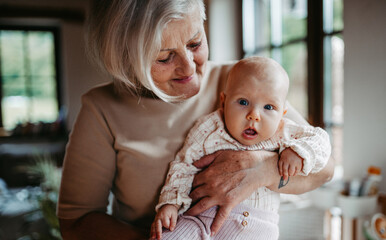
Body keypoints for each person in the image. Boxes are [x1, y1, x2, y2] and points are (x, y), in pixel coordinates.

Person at [57, 1, 334, 239]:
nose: (189, 67)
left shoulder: (242, 82)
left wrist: (264, 170)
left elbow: (325, 167)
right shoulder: (102, 108)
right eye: (165, 57)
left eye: (195, 43)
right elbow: (76, 221)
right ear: (128, 60)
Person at [150, 57, 331, 239]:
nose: (254, 115)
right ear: (224, 101)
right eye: (243, 102)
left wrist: (299, 152)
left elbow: (320, 139)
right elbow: (183, 166)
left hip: (257, 229)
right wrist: (171, 204)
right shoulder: (208, 128)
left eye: (269, 107)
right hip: (199, 220)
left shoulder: (283, 132)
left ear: (282, 114)